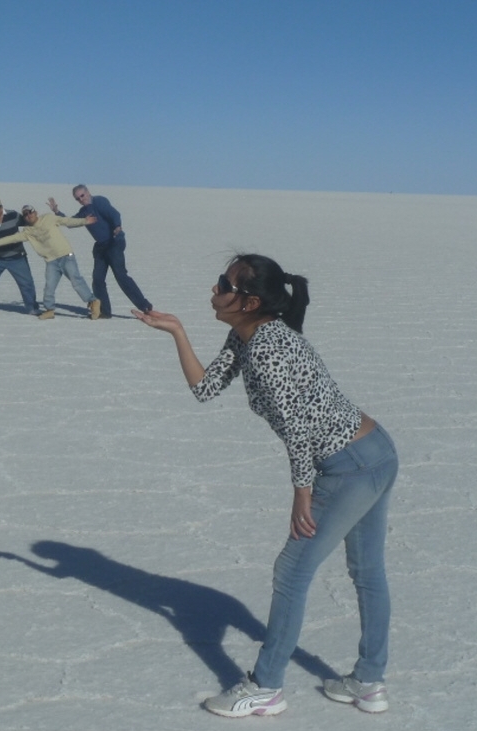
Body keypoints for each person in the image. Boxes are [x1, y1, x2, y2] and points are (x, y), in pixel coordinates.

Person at [133, 254, 398, 718]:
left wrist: (302, 492)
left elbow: (297, 427)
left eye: (223, 284)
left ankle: (266, 687)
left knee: (293, 571)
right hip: (374, 452)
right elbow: (205, 389)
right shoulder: (246, 334)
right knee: (367, 571)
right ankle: (368, 682)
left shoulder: (267, 348)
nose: (214, 290)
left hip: (348, 466)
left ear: (250, 301)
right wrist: (177, 331)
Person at [48, 184, 152, 318]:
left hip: (113, 242)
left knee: (121, 276)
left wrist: (117, 226)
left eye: (82, 196)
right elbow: (71, 222)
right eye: (77, 198)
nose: (81, 199)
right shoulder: (84, 211)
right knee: (97, 279)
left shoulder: (99, 202)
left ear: (88, 192)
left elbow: (114, 214)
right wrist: (57, 212)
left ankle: (145, 306)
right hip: (101, 247)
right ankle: (104, 311)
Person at [0, 205, 100, 320]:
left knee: (76, 281)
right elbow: (13, 238)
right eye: (25, 214)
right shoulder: (28, 231)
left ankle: (93, 302)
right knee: (49, 287)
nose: (28, 215)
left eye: (30, 212)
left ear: (35, 212)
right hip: (51, 261)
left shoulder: (48, 218)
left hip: (66, 256)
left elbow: (67, 221)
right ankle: (49, 310)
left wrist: (85, 221)